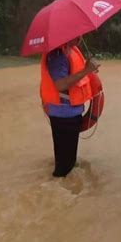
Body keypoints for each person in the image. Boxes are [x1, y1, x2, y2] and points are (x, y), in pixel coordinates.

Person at [40, 37, 99, 177]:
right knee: (64, 168)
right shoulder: (56, 55)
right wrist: (86, 71)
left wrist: (89, 70)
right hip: (63, 115)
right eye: (77, 34)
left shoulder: (70, 51)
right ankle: (58, 192)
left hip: (72, 113)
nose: (80, 37)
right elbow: (60, 85)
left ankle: (68, 191)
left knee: (70, 163)